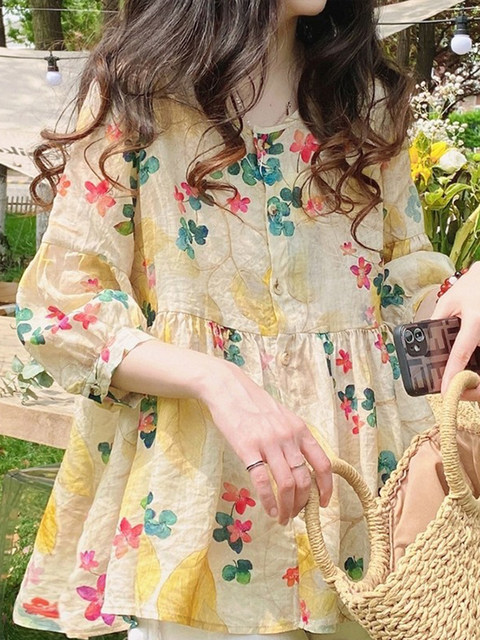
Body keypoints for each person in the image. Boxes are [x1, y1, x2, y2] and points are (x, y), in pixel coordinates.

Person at [12, 0, 480, 639]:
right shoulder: (136, 96)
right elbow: (63, 309)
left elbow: (399, 291)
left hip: (369, 497)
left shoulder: (363, 100)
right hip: (203, 497)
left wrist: (461, 297)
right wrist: (217, 380)